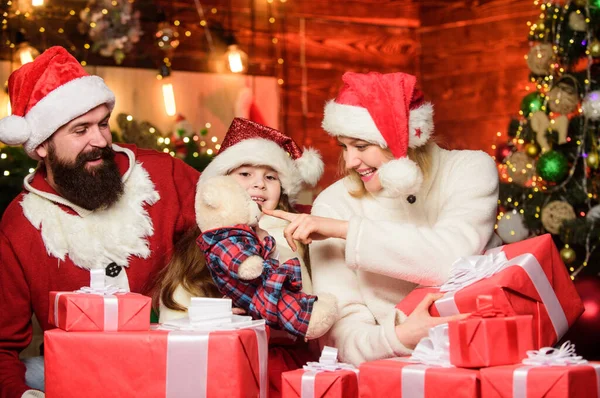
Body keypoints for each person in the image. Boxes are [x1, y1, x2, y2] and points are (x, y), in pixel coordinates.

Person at [0, 47, 200, 398]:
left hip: (169, 366)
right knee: (33, 374)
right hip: (79, 374)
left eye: (102, 124)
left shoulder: (161, 174)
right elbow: (2, 346)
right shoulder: (19, 225)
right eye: (81, 130)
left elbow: (231, 213)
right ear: (43, 145)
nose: (100, 140)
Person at [264, 71, 500, 366]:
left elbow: (452, 260)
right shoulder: (334, 204)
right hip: (391, 371)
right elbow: (341, 334)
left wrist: (347, 231)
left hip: (488, 352)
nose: (350, 162)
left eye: (361, 146)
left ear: (402, 139)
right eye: (345, 147)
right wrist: (399, 338)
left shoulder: (469, 170)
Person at [155, 117, 324, 397]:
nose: (259, 184)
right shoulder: (203, 243)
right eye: (245, 174)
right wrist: (211, 319)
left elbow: (310, 302)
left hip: (282, 364)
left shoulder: (294, 236)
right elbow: (174, 314)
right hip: (216, 363)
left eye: (270, 177)